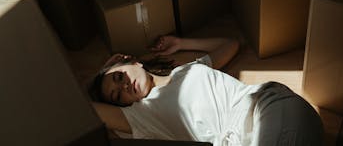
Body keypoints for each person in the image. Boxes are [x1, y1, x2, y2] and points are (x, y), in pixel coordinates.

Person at [89, 35, 324, 146]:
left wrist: (182, 43)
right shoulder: (139, 116)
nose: (124, 86)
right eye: (117, 95)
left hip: (268, 108)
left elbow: (231, 44)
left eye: (119, 76)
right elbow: (83, 107)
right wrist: (102, 70)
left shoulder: (186, 70)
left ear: (134, 62)